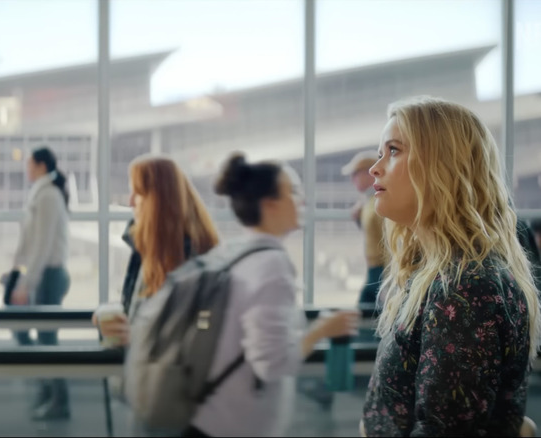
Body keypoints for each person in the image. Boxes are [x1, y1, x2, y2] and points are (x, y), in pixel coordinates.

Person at [361, 96, 540, 436]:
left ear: (441, 165)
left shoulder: (465, 287)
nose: (375, 167)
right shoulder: (436, 271)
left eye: (394, 150)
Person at [171, 153, 358, 437]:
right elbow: (272, 365)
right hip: (231, 427)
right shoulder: (271, 266)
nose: (302, 200)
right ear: (270, 205)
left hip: (208, 418)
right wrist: (322, 330)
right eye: (293, 192)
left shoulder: (236, 253)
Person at [94, 155, 219, 436]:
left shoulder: (192, 263)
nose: (130, 202)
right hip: (152, 396)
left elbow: (195, 339)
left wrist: (134, 334)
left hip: (172, 403)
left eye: (138, 193)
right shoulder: (149, 253)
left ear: (158, 199)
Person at [3, 146, 71, 421]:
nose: (27, 170)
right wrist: (16, 273)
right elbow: (28, 243)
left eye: (30, 165)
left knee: (47, 340)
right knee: (26, 333)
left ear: (42, 166)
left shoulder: (49, 196)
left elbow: (42, 246)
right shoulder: (39, 194)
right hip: (40, 275)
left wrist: (26, 284)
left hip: (49, 277)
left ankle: (59, 401)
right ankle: (47, 388)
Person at [342, 149, 387, 307]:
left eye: (355, 174)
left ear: (370, 173)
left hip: (384, 270)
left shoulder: (380, 203)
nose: (352, 179)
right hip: (375, 268)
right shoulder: (369, 201)